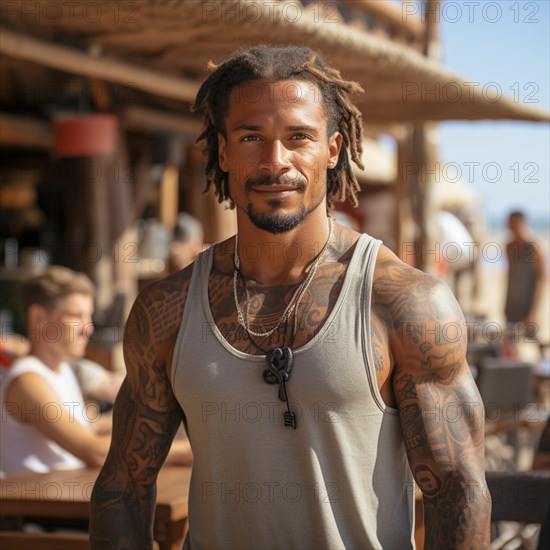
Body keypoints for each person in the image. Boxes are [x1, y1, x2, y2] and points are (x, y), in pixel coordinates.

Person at [90, 45, 489, 549]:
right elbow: (123, 487)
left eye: (298, 137)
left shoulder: (403, 302)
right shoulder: (165, 309)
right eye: (251, 136)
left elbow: (458, 489)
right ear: (223, 151)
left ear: (334, 148)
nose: (275, 161)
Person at [0, 266, 191, 477]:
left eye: (89, 316)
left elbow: (88, 429)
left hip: (65, 500)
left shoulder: (61, 370)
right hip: (40, 508)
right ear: (39, 318)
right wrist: (186, 452)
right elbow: (94, 451)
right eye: (76, 315)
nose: (88, 327)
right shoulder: (28, 380)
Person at [504, 211, 546, 338]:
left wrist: (534, 312)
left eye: (514, 225)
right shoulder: (509, 247)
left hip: (528, 305)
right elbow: (509, 277)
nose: (512, 229)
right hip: (511, 306)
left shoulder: (534, 247)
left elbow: (542, 280)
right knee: (510, 345)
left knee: (533, 343)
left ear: (523, 224)